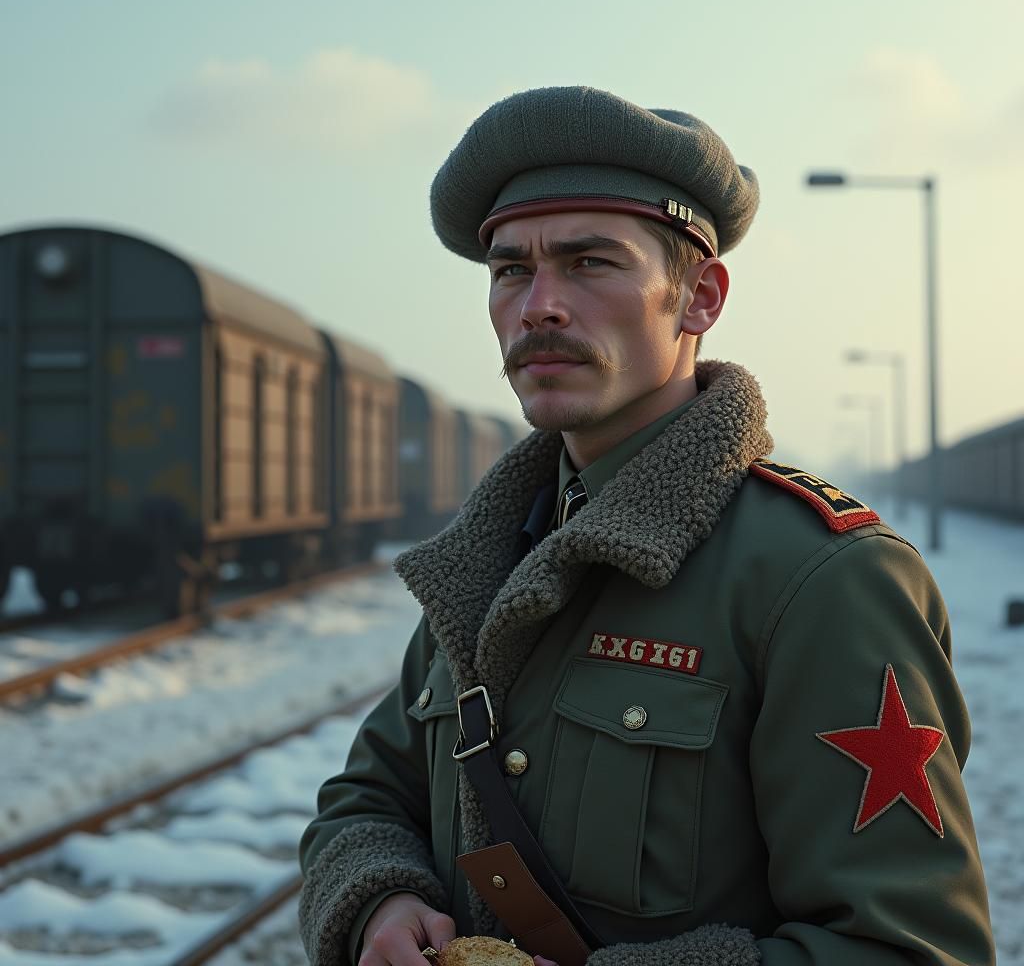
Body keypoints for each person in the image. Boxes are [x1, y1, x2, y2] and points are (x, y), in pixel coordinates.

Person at [299, 86, 994, 966]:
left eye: (590, 263)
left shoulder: (821, 579)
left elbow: (911, 948)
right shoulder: (491, 554)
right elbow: (366, 798)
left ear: (699, 298)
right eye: (511, 270)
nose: (538, 306)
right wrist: (381, 900)